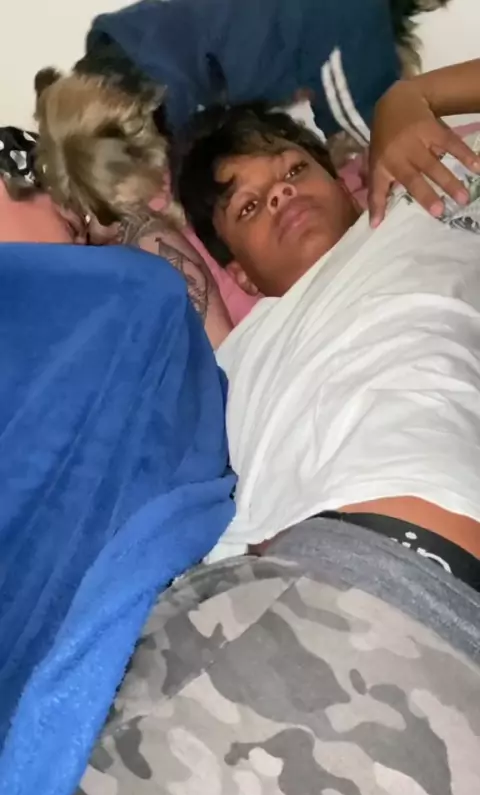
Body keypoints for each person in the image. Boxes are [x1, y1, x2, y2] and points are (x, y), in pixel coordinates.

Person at [177, 61, 480, 589]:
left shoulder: (427, 197)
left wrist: (411, 95)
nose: (280, 193)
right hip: (237, 582)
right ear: (240, 276)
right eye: (248, 207)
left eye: (294, 171)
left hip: (396, 544)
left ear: (343, 184)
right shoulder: (233, 356)